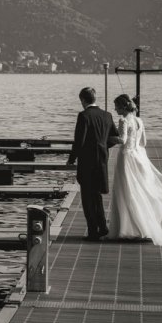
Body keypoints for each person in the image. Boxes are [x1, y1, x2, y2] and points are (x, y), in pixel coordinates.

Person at [106, 94, 162, 246]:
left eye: (116, 106)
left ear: (122, 107)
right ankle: (143, 227)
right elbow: (144, 142)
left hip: (126, 157)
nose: (114, 109)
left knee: (125, 190)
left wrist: (107, 137)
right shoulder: (139, 121)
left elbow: (122, 140)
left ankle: (127, 228)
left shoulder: (123, 120)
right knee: (138, 190)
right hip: (138, 156)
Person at [67, 87, 120, 241]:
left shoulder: (84, 116)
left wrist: (71, 159)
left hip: (87, 162)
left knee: (87, 197)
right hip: (102, 160)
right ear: (94, 98)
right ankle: (102, 227)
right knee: (96, 196)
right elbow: (115, 137)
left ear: (83, 100)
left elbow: (79, 141)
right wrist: (103, 146)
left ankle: (92, 231)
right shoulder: (107, 115)